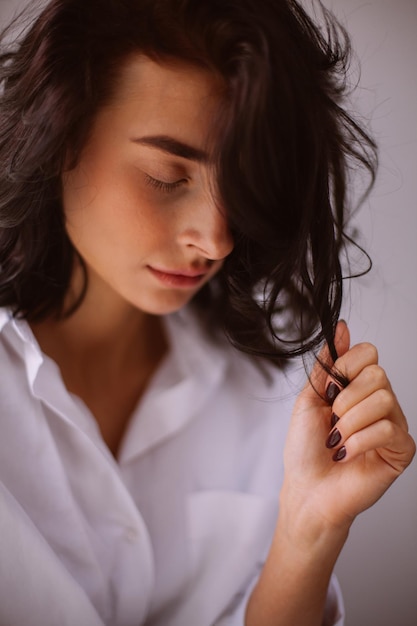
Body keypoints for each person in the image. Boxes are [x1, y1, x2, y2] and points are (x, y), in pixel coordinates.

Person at [0, 0, 414, 624]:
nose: (216, 240)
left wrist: (308, 531)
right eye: (168, 178)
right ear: (60, 133)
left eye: (242, 183)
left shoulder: (272, 398)